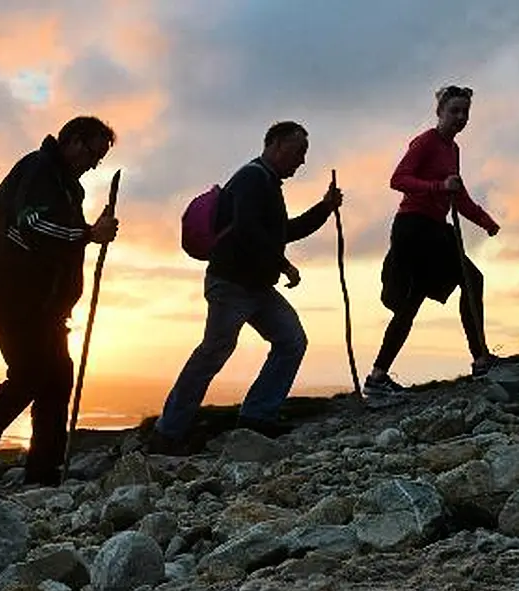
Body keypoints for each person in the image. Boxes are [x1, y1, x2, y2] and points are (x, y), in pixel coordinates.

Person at [0, 116, 120, 487]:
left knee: (55, 378)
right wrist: (89, 233)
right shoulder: (39, 169)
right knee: (31, 374)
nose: (93, 164)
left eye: (99, 159)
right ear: (72, 140)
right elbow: (33, 226)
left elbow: (60, 240)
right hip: (14, 295)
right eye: (92, 153)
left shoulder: (66, 186)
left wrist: (88, 234)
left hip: (42, 303)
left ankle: (42, 467)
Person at [149, 121, 343, 453]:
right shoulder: (253, 178)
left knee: (290, 340)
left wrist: (324, 208)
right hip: (232, 284)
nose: (302, 161)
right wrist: (283, 264)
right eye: (299, 151)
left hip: (253, 286)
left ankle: (256, 417)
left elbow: (283, 231)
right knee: (214, 352)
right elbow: (248, 231)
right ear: (278, 144)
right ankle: (168, 432)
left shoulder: (266, 182)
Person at [363, 85, 502, 399]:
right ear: (439, 112)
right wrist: (439, 186)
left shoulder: (453, 150)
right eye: (454, 110)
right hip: (413, 228)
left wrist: (485, 220)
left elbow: (457, 194)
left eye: (465, 112)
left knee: (455, 285)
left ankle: (478, 359)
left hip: (435, 229)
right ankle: (379, 377)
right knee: (424, 295)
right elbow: (398, 179)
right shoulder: (426, 142)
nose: (460, 117)